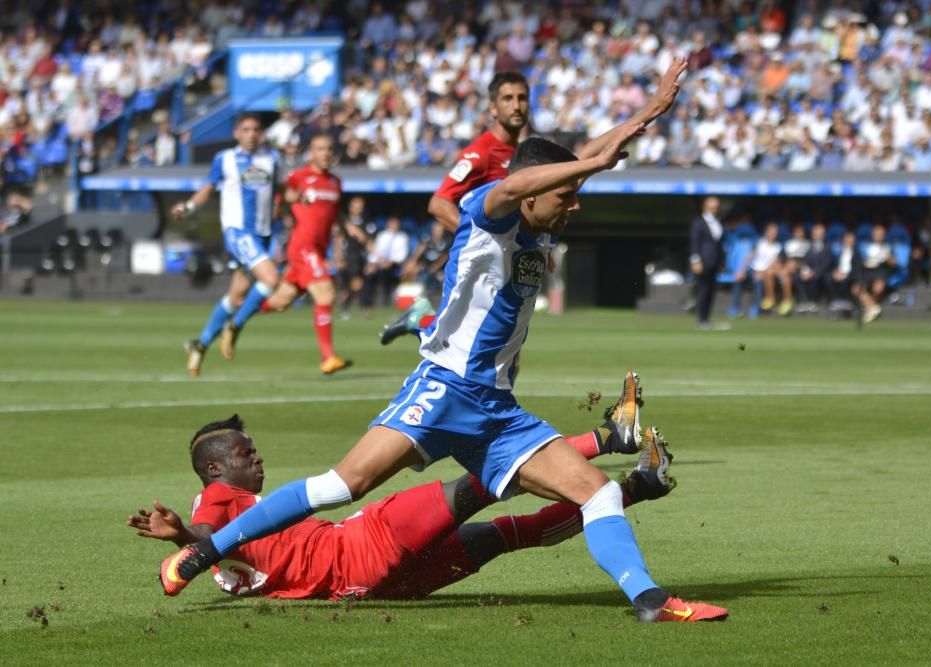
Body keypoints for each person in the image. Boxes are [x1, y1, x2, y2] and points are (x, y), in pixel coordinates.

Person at [159, 60, 729, 623]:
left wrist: (646, 115)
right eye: (565, 195)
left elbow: (568, 167)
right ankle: (200, 555)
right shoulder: (489, 214)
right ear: (531, 194)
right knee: (343, 484)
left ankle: (651, 602)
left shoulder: (539, 217)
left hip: (497, 409)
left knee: (599, 495)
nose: (573, 204)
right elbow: (517, 182)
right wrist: (595, 160)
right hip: (446, 388)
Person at [134, 409, 682, 604]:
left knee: (507, 533)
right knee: (483, 483)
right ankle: (611, 440)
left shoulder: (233, 531)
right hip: (358, 545)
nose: (256, 460)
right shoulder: (219, 496)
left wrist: (192, 543)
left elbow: (225, 552)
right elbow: (208, 529)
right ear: (214, 468)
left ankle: (638, 486)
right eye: (243, 453)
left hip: (370, 587)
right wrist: (188, 539)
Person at [379, 71, 530, 345]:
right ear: (493, 107)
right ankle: (422, 322)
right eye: (508, 99)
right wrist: (484, 239)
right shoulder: (482, 152)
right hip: (483, 263)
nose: (517, 105)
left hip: (505, 260)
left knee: (499, 349)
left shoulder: (518, 153)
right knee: (491, 349)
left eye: (522, 98)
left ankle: (421, 320)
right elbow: (438, 203)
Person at [218, 134, 351, 375]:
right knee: (326, 294)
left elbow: (333, 213)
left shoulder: (335, 182)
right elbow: (276, 198)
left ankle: (237, 320)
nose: (325, 153)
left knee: (280, 302)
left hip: (318, 249)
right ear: (310, 152)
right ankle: (328, 357)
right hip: (303, 248)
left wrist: (345, 230)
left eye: (329, 148)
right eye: (320, 148)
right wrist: (275, 215)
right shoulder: (298, 177)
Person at [176, 114, 283, 378]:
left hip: (263, 234)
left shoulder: (273, 160)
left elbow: (282, 191)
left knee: (236, 296)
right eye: (245, 129)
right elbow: (208, 188)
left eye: (255, 129)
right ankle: (234, 326)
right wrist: (188, 206)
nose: (251, 134)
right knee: (271, 279)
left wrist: (295, 199)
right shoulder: (224, 159)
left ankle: (199, 345)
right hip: (238, 232)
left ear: (261, 133)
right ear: (236, 132)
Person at [689, 196, 728, 330]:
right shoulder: (699, 222)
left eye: (716, 207)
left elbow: (719, 244)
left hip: (714, 262)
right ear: (705, 207)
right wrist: (695, 260)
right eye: (712, 207)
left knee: (711, 291)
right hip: (703, 261)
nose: (715, 209)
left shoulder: (718, 222)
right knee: (703, 290)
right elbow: (695, 242)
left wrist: (722, 262)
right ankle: (701, 319)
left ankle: (706, 319)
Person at [856, 224, 895, 323]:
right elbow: (860, 261)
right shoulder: (865, 247)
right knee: (857, 290)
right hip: (866, 271)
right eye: (877, 234)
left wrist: (888, 257)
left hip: (880, 271)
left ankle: (871, 309)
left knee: (878, 288)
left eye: (881, 234)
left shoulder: (888, 247)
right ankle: (873, 308)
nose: (879, 236)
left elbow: (893, 263)